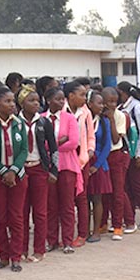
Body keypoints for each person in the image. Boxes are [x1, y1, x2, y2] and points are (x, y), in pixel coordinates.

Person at [0, 86, 28, 272]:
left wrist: (14, 170)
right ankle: (3, 256)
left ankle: (16, 257)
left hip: (18, 177)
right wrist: (4, 171)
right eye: (7, 101)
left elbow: (24, 150)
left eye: (13, 101)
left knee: (17, 217)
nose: (12, 105)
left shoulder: (19, 123)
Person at [18, 86, 59, 262]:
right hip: (21, 169)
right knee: (21, 212)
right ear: (22, 103)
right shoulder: (15, 122)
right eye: (31, 101)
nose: (36, 104)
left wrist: (53, 170)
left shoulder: (43, 122)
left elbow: (53, 148)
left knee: (40, 212)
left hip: (39, 169)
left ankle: (39, 249)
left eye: (37, 101)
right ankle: (21, 249)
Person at [44, 87, 81, 254]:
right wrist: (59, 142)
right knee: (51, 206)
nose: (61, 102)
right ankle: (52, 240)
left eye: (62, 99)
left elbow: (73, 142)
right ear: (48, 100)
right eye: (57, 99)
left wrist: (53, 146)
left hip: (67, 166)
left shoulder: (70, 118)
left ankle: (67, 240)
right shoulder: (42, 119)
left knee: (67, 205)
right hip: (49, 168)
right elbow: (40, 145)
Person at [64, 80, 95, 248]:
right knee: (66, 199)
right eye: (82, 95)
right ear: (71, 96)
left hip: (81, 158)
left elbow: (91, 135)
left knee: (82, 197)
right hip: (66, 158)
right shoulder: (61, 111)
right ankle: (66, 235)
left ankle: (83, 233)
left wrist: (90, 150)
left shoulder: (85, 112)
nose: (85, 98)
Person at [116, 81, 140, 232]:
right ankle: (129, 216)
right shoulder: (121, 107)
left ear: (123, 93)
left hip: (138, 151)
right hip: (127, 151)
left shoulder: (136, 106)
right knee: (127, 184)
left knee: (137, 184)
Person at [100, 87, 131, 241]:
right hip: (102, 157)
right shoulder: (98, 116)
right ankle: (103, 223)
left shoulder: (120, 116)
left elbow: (116, 140)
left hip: (115, 155)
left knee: (118, 191)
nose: (112, 105)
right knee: (104, 192)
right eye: (109, 102)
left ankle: (118, 225)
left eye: (115, 102)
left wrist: (111, 119)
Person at [85, 89, 112, 243]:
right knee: (84, 199)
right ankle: (84, 229)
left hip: (99, 163)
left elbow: (107, 145)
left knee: (97, 198)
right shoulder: (82, 120)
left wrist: (96, 165)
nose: (102, 106)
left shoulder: (104, 122)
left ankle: (96, 231)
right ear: (89, 104)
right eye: (99, 103)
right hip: (84, 161)